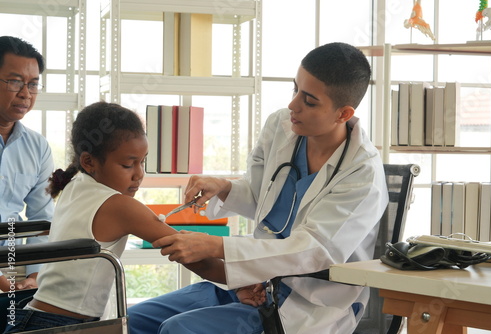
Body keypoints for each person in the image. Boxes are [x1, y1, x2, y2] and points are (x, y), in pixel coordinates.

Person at [127, 42, 389, 334]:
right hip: (254, 284)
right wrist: (224, 187)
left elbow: (313, 252)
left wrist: (215, 246)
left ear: (343, 114)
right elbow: (262, 198)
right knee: (133, 321)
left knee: (179, 330)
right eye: (295, 89)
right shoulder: (281, 125)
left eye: (309, 101)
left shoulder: (362, 173)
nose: (293, 106)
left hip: (310, 303)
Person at [3, 101, 229, 333]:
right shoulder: (120, 206)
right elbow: (194, 257)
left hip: (32, 318)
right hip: (60, 326)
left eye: (142, 162)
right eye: (128, 164)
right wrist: (249, 278)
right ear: (89, 161)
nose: (139, 175)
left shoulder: (76, 184)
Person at [0, 36, 53, 292]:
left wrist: (35, 275)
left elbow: (42, 217)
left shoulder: (37, 147)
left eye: (33, 85)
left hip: (13, 262)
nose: (25, 93)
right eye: (15, 82)